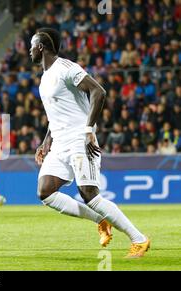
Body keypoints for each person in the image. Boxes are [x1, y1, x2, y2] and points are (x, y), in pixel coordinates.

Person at [29, 28, 150, 258]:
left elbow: (98, 91)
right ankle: (101, 219)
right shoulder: (45, 78)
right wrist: (46, 142)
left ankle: (139, 239)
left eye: (32, 46)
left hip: (79, 139)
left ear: (41, 47)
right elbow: (55, 115)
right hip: (59, 142)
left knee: (89, 194)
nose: (29, 50)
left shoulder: (66, 68)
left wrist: (88, 130)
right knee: (45, 192)